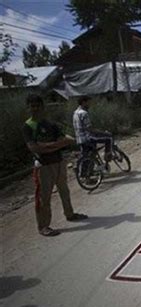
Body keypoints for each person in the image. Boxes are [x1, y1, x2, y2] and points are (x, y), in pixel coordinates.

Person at [23, 94, 88, 237]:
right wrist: (56, 145)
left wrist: (47, 146)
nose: (35, 109)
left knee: (64, 191)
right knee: (43, 197)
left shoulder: (50, 124)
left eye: (37, 106)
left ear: (42, 107)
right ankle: (43, 226)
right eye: (32, 106)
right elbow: (34, 148)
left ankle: (70, 214)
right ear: (28, 108)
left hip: (58, 162)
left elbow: (69, 139)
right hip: (43, 166)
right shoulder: (28, 126)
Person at [73, 96, 113, 161]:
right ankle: (107, 156)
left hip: (79, 139)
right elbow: (90, 129)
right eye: (88, 103)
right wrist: (103, 132)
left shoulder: (75, 113)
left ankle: (85, 166)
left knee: (88, 154)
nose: (90, 105)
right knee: (109, 138)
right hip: (87, 138)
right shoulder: (84, 113)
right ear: (83, 102)